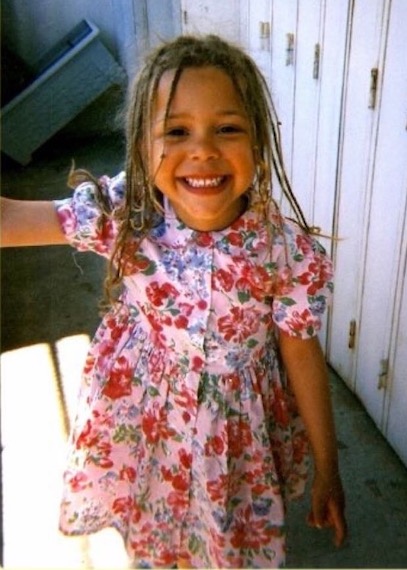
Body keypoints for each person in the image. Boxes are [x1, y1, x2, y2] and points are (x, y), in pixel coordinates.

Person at [1, 34, 346, 568]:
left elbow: (300, 349)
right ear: (141, 145)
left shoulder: (284, 250)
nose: (203, 150)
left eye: (227, 128)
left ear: (261, 140)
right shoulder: (124, 216)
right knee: (162, 541)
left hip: (233, 444)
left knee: (222, 544)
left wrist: (330, 463)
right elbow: (10, 221)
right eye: (176, 131)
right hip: (146, 427)